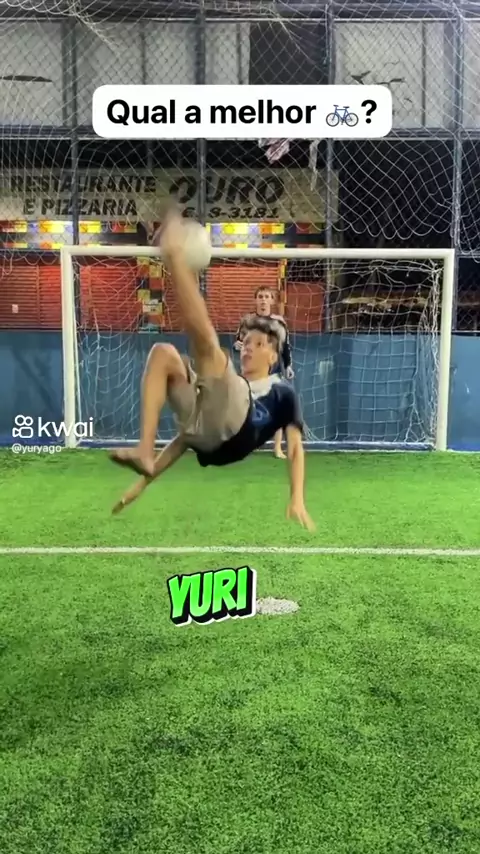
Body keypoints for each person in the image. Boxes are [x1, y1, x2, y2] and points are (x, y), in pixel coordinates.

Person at [110, 210, 314, 531]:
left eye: (258, 344)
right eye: (246, 342)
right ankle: (144, 449)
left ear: (274, 356)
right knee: (163, 353)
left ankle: (175, 258)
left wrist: (297, 496)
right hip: (209, 436)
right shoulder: (230, 385)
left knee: (209, 349)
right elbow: (185, 439)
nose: (248, 347)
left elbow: (297, 447)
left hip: (237, 428)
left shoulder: (281, 392)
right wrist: (143, 483)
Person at [234, 286, 294, 460]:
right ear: (255, 300)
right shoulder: (248, 322)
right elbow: (238, 342)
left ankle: (277, 448)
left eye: (267, 296)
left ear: (272, 300)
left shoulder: (279, 322)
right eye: (260, 296)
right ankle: (245, 444)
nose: (263, 300)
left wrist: (288, 365)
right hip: (252, 371)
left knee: (277, 407)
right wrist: (237, 346)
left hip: (273, 369)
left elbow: (285, 346)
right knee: (246, 407)